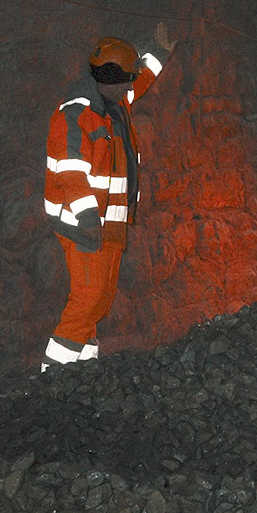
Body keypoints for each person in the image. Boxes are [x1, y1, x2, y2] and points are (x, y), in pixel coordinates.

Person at [41, 23, 177, 370]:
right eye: (127, 79)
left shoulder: (114, 103)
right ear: (112, 80)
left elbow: (142, 80)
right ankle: (52, 376)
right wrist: (88, 222)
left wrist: (160, 53)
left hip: (109, 222)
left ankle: (83, 371)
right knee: (87, 299)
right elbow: (71, 174)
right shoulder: (75, 115)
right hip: (84, 224)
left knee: (99, 300)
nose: (133, 85)